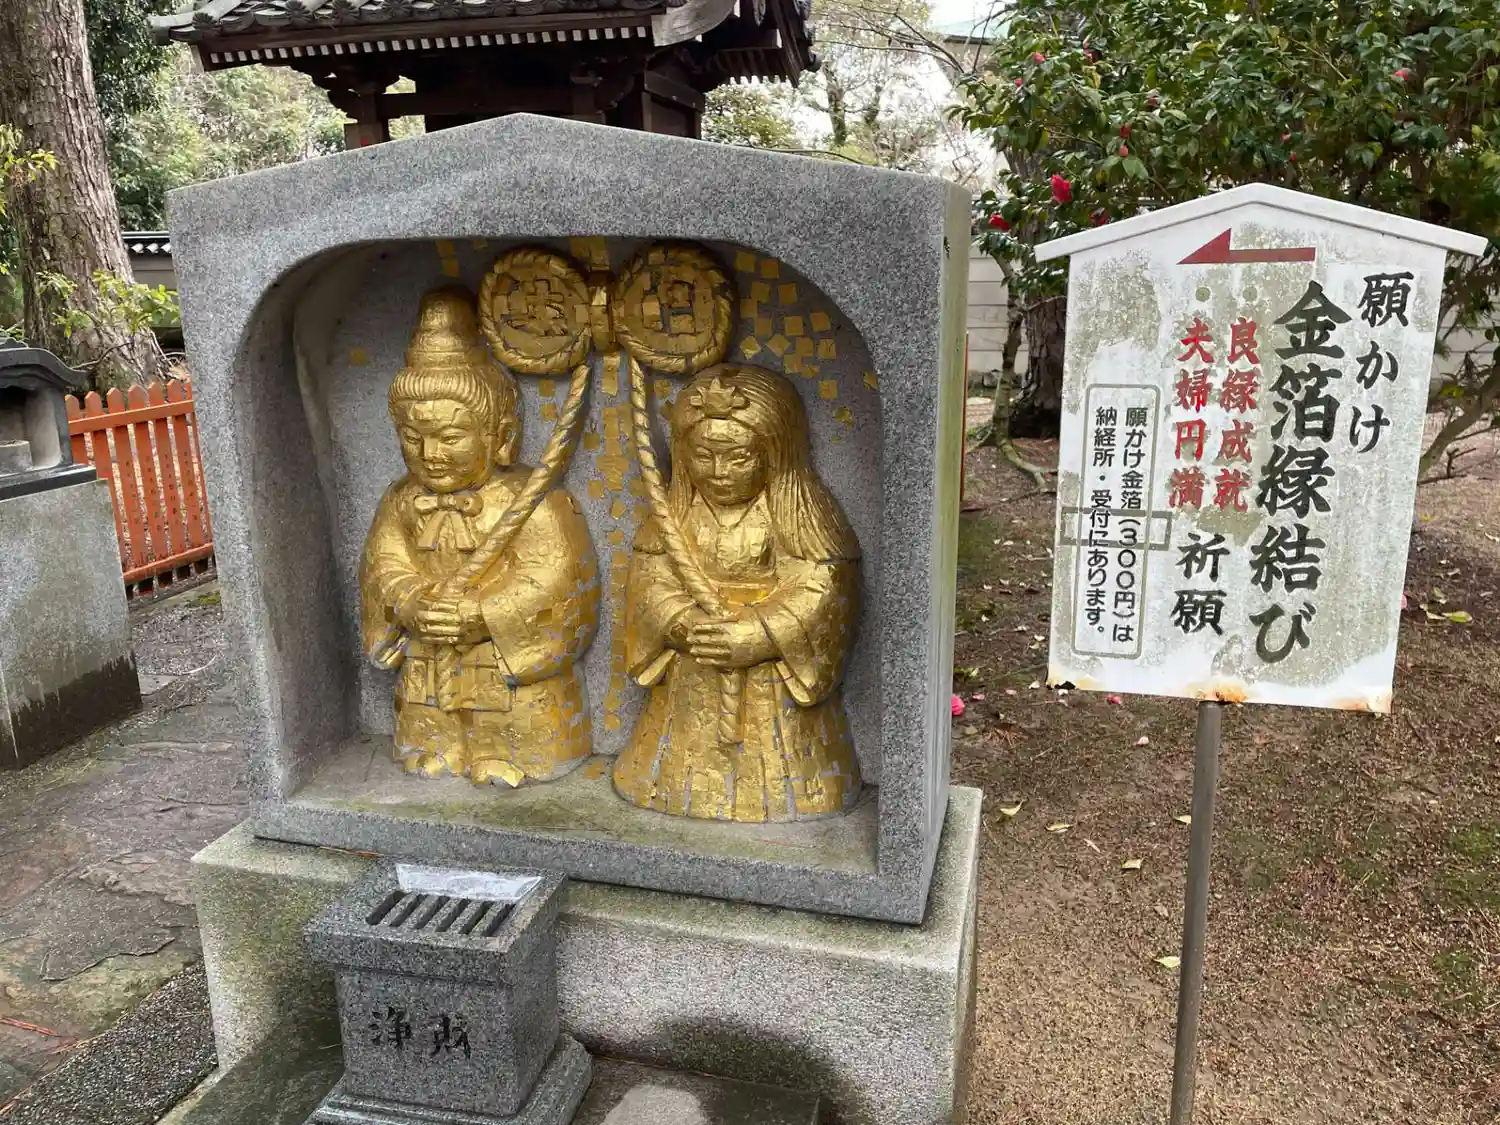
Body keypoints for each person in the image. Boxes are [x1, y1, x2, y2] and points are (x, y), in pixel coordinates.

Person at [359, 287, 598, 786]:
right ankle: (436, 746)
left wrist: (482, 613)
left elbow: (556, 577)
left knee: (511, 710)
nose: (430, 454)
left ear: (500, 435)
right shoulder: (401, 499)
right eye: (412, 438)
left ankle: (511, 755)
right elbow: (384, 564)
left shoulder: (532, 499)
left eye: (450, 437)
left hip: (505, 656)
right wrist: (412, 603)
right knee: (430, 708)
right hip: (429, 648)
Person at [613, 363, 863, 822]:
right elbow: (649, 582)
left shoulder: (800, 515)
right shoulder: (674, 516)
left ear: (774, 452)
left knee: (777, 773)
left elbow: (825, 590)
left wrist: (761, 634)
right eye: (703, 456)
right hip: (693, 676)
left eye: (738, 457)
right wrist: (682, 622)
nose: (719, 472)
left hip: (773, 692)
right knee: (678, 768)